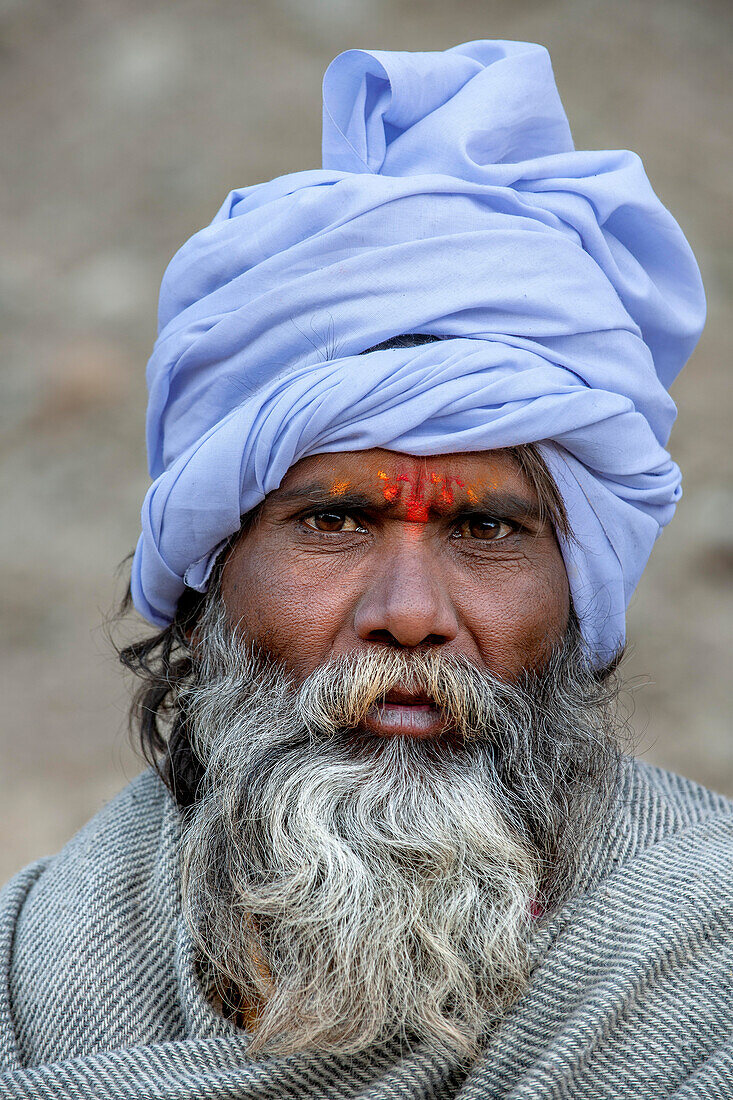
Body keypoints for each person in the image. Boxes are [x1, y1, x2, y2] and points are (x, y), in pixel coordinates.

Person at [0, 39, 730, 1100]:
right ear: (206, 592)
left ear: (578, 593)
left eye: (487, 532)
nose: (410, 615)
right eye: (335, 520)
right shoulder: (31, 976)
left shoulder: (703, 968)